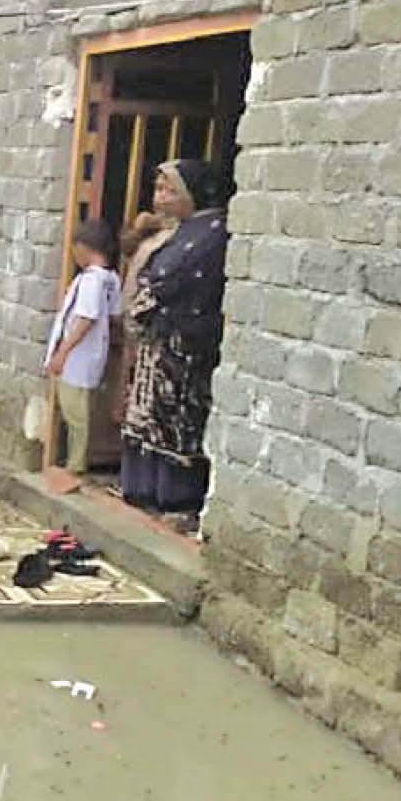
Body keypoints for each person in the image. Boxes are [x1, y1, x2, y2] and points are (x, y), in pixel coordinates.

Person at [120, 159, 236, 532]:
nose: (162, 197)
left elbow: (165, 281)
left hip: (183, 347)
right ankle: (143, 492)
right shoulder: (183, 230)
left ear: (194, 194)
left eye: (171, 190)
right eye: (160, 189)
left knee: (173, 421)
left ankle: (176, 500)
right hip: (158, 341)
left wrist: (140, 309)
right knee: (148, 416)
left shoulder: (209, 235)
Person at [43, 219, 122, 474]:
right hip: (93, 354)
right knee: (82, 408)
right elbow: (113, 317)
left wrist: (61, 353)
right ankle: (76, 461)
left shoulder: (90, 280)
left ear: (86, 248)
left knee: (74, 412)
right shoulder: (111, 279)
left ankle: (75, 464)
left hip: (77, 357)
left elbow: (86, 319)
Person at [113, 210, 177, 425]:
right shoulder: (162, 243)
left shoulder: (153, 243)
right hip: (145, 333)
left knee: (132, 400)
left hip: (139, 330)